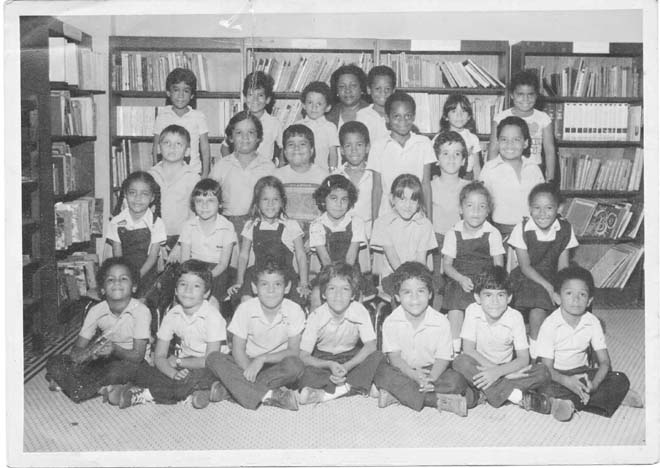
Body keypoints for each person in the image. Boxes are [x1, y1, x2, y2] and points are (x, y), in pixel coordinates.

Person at [534, 266, 643, 420]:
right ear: (557, 298)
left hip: (582, 373)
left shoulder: (592, 322)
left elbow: (605, 362)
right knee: (541, 384)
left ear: (589, 301)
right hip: (556, 375)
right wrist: (567, 381)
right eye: (569, 293)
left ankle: (570, 402)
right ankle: (597, 399)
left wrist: (595, 385)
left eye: (582, 294)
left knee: (620, 378)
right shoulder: (550, 325)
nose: (576, 299)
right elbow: (546, 368)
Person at [116, 260, 228, 410]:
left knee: (194, 377)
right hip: (185, 362)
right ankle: (199, 391)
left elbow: (210, 360)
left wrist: (179, 363)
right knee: (147, 369)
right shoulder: (172, 315)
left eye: (196, 286)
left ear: (206, 293)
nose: (188, 290)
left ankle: (147, 394)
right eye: (183, 284)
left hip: (212, 365)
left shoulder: (212, 317)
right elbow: (159, 356)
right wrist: (173, 373)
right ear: (175, 290)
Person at [372, 262, 474, 416]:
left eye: (421, 291)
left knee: (456, 381)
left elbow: (443, 358)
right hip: (403, 370)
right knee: (382, 373)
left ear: (430, 294)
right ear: (397, 297)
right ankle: (435, 400)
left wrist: (431, 378)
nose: (415, 298)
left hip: (432, 371)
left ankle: (398, 396)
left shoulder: (441, 322)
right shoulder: (391, 322)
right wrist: (413, 375)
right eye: (407, 292)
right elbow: (395, 358)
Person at [452, 266, 555, 416]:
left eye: (500, 295)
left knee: (542, 372)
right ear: (477, 298)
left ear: (509, 298)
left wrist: (499, 372)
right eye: (488, 295)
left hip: (506, 367)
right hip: (479, 366)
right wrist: (499, 374)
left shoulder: (515, 317)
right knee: (460, 362)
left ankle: (485, 393)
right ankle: (516, 397)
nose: (494, 301)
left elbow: (523, 358)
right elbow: (468, 349)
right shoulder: (472, 311)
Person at [45, 257, 150, 403]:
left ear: (134, 287)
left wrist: (114, 349)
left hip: (131, 361)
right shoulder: (96, 311)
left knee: (116, 371)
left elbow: (138, 356)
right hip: (104, 361)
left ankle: (75, 386)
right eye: (110, 279)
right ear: (102, 289)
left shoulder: (141, 311)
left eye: (123, 278)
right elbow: (76, 351)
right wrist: (90, 352)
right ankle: (98, 388)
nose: (117, 282)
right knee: (55, 362)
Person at [206, 259, 306, 411]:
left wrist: (262, 359)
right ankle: (269, 395)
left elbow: (293, 351)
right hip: (245, 363)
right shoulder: (245, 309)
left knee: (296, 365)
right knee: (214, 358)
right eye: (264, 284)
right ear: (254, 287)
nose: (271, 290)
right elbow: (237, 350)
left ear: (287, 287)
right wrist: (249, 371)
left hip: (276, 364)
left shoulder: (294, 310)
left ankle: (232, 389)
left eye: (277, 284)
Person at [508, 183, 578, 357]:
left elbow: (563, 267)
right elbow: (525, 266)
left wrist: (561, 289)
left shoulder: (565, 229)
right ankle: (534, 353)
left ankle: (563, 344)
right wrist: (548, 287)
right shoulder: (522, 229)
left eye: (549, 208)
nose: (542, 213)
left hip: (553, 274)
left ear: (558, 208)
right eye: (537, 208)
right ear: (530, 209)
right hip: (527, 276)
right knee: (538, 308)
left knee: (573, 293)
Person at [298, 263, 384, 405]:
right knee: (303, 372)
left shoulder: (359, 310)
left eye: (345, 289)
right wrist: (329, 364)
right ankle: (356, 386)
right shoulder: (316, 317)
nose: (338, 295)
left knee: (378, 357)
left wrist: (347, 366)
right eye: (332, 288)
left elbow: (370, 345)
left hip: (351, 357)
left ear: (353, 295)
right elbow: (304, 355)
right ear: (324, 294)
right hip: (324, 359)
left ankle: (329, 394)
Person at [442, 181, 505, 355]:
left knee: (487, 302)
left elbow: (499, 266)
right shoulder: (452, 233)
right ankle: (454, 349)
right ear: (461, 209)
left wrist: (488, 285)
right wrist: (461, 279)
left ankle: (482, 348)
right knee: (455, 304)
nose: (475, 211)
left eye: (481, 206)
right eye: (470, 205)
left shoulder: (493, 233)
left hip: (485, 280)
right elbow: (446, 266)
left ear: (488, 211)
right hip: (459, 278)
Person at [228, 176, 309, 307]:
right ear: (257, 202)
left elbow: (301, 255)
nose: (270, 204)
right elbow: (243, 256)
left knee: (294, 304)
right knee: (245, 300)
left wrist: (304, 283)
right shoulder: (251, 225)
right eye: (265, 199)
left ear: (282, 202)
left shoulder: (291, 225)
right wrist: (239, 281)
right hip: (257, 274)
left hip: (285, 274)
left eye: (275, 199)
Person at [210, 111, 275, 254]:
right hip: (229, 226)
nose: (245, 137)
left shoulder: (268, 167)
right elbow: (209, 198)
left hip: (260, 225)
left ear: (259, 137)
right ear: (230, 138)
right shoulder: (221, 166)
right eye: (239, 133)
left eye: (251, 132)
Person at [308, 175, 372, 310]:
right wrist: (334, 282)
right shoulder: (316, 225)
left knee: (355, 296)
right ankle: (316, 323)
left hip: (351, 273)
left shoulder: (357, 222)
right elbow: (325, 259)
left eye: (344, 199)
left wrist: (343, 283)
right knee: (315, 295)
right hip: (328, 273)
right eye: (333, 198)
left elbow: (350, 258)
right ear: (323, 200)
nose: (339, 204)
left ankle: (354, 323)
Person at [367, 91, 435, 218]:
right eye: (396, 116)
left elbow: (426, 184)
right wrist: (375, 223)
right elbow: (377, 188)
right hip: (387, 215)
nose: (403, 121)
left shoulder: (424, 143)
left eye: (408, 116)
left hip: (415, 214)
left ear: (414, 117)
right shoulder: (378, 146)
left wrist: (429, 219)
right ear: (387, 118)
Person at [370, 173, 437, 298]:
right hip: (393, 275)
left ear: (419, 202)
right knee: (404, 294)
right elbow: (393, 258)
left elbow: (421, 260)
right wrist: (408, 282)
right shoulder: (383, 223)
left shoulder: (424, 225)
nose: (408, 205)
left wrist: (416, 282)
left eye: (413, 200)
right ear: (392, 199)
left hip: (418, 275)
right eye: (402, 199)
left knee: (425, 292)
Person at [178, 178, 238, 315]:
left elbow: (223, 264)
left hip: (217, 271)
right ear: (193, 204)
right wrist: (193, 277)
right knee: (184, 299)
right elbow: (184, 261)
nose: (204, 206)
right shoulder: (188, 225)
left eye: (210, 201)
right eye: (199, 201)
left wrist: (206, 277)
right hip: (193, 268)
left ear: (220, 204)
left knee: (212, 303)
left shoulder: (227, 226)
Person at [479, 116, 544, 239]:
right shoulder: (489, 169)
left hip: (531, 232)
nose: (510, 144)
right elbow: (482, 204)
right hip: (500, 233)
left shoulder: (533, 168)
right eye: (504, 139)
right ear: (497, 142)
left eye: (516, 139)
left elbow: (542, 201)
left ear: (525, 143)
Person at [105, 171, 166, 297]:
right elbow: (118, 256)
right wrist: (125, 277)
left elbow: (153, 257)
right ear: (125, 194)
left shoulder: (156, 223)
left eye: (144, 194)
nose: (138, 198)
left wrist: (137, 276)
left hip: (148, 275)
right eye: (133, 193)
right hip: (124, 274)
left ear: (152, 198)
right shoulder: (116, 222)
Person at [488, 70, 556, 182]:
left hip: (534, 169)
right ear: (512, 95)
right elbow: (493, 148)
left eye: (530, 94)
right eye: (520, 94)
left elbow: (549, 150)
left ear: (536, 95)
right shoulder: (500, 118)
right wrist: (490, 174)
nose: (526, 99)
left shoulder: (543, 118)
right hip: (506, 169)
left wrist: (550, 178)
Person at [429, 131, 470, 309]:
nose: (451, 159)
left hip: (461, 244)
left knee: (459, 287)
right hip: (436, 243)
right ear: (437, 159)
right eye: (445, 153)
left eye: (457, 154)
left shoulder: (469, 187)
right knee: (436, 286)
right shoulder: (429, 186)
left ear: (464, 160)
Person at [148, 124, 201, 255]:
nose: (172, 147)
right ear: (158, 148)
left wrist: (180, 244)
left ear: (187, 151)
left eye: (178, 144)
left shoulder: (193, 178)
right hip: (154, 237)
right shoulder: (150, 176)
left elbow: (194, 216)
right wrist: (156, 241)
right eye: (167, 143)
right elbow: (147, 212)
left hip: (183, 238)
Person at [152, 68, 210, 177]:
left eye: (186, 91)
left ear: (192, 95)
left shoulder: (198, 116)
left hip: (192, 173)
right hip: (167, 173)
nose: (181, 95)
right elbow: (156, 147)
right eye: (176, 90)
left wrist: (205, 174)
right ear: (168, 92)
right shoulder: (162, 116)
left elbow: (205, 148)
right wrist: (157, 173)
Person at [220, 71, 282, 164]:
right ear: (245, 98)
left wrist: (279, 168)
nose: (255, 99)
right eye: (250, 95)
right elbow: (224, 147)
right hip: (242, 169)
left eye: (260, 95)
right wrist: (231, 166)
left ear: (268, 99)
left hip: (264, 170)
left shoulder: (274, 123)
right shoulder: (238, 121)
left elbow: (283, 148)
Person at [295, 81, 339, 172]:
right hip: (299, 173)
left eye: (319, 104)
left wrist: (332, 173)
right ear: (303, 105)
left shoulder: (330, 127)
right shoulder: (297, 126)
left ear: (328, 107)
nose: (314, 107)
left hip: (322, 174)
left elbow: (333, 154)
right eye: (310, 102)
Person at [435, 94, 482, 179]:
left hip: (467, 177)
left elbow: (476, 166)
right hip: (445, 177)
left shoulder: (473, 138)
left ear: (469, 116)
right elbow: (433, 165)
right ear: (446, 117)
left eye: (463, 111)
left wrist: (477, 183)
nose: (459, 115)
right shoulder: (439, 137)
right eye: (454, 111)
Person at [356, 65, 396, 145]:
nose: (383, 93)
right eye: (378, 89)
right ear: (369, 90)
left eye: (387, 89)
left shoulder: (398, 114)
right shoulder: (362, 116)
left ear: (393, 90)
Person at [326, 64, 370, 129]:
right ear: (336, 90)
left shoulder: (374, 113)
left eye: (353, 85)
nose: (347, 90)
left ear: (361, 88)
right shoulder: (327, 116)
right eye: (342, 86)